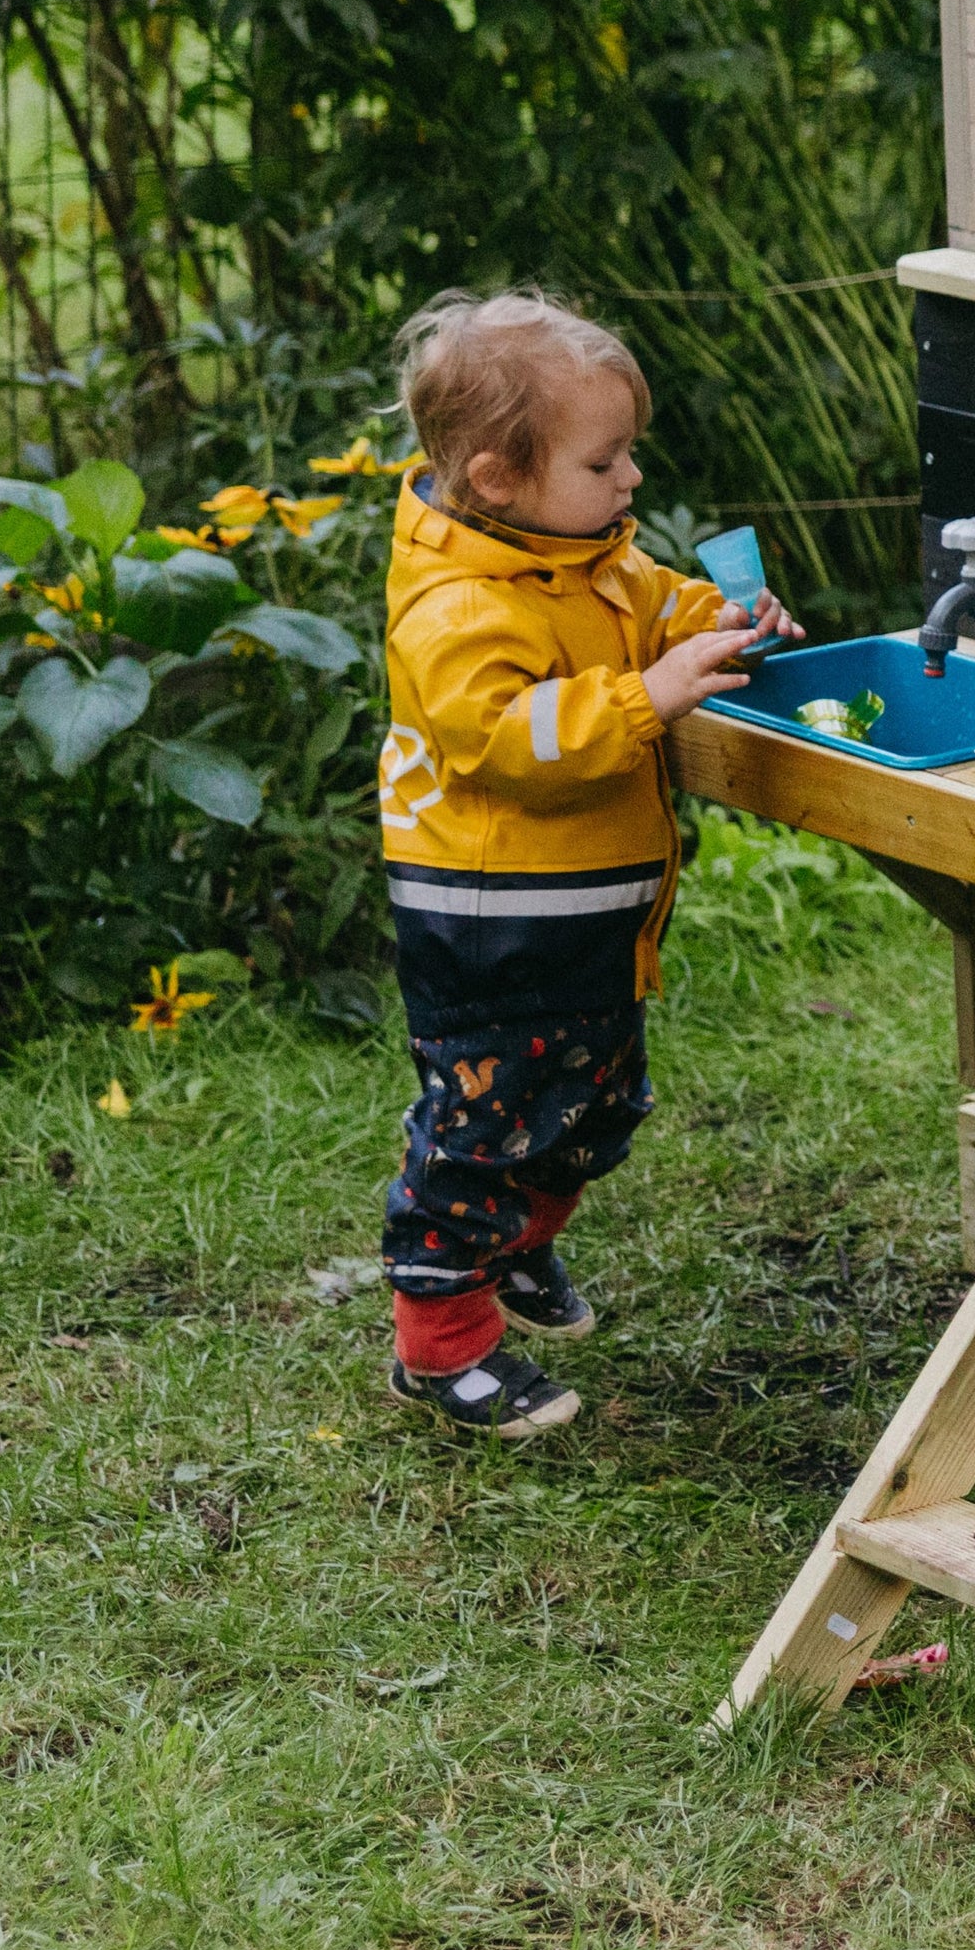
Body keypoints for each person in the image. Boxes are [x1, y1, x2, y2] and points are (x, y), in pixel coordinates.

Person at [371, 291, 775, 1436]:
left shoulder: (585, 553)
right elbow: (505, 740)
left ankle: (514, 1251)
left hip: (590, 920)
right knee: (480, 1134)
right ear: (498, 476)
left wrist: (716, 622)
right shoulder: (455, 605)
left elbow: (653, 605)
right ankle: (441, 1343)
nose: (632, 478)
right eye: (605, 459)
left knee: (596, 1107)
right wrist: (647, 696)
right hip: (491, 925)